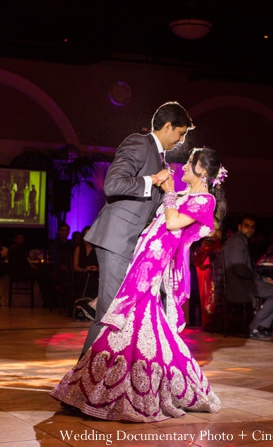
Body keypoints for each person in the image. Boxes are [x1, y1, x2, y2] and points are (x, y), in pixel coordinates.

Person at [50, 147, 227, 421]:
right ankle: (122, 382)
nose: (184, 167)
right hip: (144, 253)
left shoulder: (205, 201)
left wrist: (168, 191)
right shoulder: (184, 194)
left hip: (155, 260)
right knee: (141, 319)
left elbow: (172, 223)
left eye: (191, 163)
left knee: (134, 315)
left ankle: (128, 385)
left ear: (203, 170)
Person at [81, 101, 194, 356]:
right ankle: (79, 389)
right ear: (167, 126)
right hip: (117, 240)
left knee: (118, 316)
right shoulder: (140, 143)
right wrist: (153, 179)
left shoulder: (159, 157)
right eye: (181, 133)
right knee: (110, 315)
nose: (180, 140)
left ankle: (91, 386)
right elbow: (113, 185)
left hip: (129, 244)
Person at [222, 214, 273, 339]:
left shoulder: (238, 241)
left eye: (252, 227)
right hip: (238, 284)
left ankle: (259, 326)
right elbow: (241, 269)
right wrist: (261, 278)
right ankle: (255, 327)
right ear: (239, 227)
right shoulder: (237, 242)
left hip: (237, 282)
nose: (249, 230)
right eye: (246, 226)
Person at [8, 231, 52, 307]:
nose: (21, 240)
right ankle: (48, 300)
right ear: (15, 239)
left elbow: (23, 261)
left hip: (22, 271)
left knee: (43, 275)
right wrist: (30, 267)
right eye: (19, 238)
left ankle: (47, 300)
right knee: (44, 273)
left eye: (22, 238)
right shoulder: (14, 249)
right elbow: (19, 264)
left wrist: (31, 266)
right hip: (19, 273)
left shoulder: (20, 248)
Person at [194, 229, 222, 330]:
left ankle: (212, 322)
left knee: (212, 296)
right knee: (207, 295)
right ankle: (208, 322)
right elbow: (199, 259)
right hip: (208, 272)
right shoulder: (209, 242)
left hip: (215, 273)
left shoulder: (218, 243)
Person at [73, 226, 99, 300]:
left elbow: (103, 267)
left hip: (94, 275)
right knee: (83, 280)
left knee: (93, 279)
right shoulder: (78, 249)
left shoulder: (97, 250)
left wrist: (97, 269)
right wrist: (84, 269)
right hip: (81, 274)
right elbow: (75, 266)